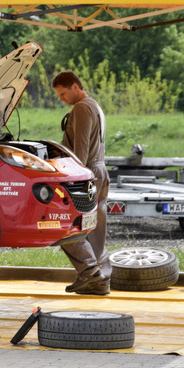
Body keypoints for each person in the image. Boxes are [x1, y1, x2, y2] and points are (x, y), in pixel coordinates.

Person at [52, 71, 110, 295]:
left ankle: (89, 273)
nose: (61, 99)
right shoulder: (94, 105)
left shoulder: (82, 107)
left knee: (68, 224)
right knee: (95, 228)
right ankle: (98, 278)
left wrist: (72, 176)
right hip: (100, 170)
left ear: (75, 86)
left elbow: (81, 151)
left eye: (63, 93)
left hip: (87, 172)